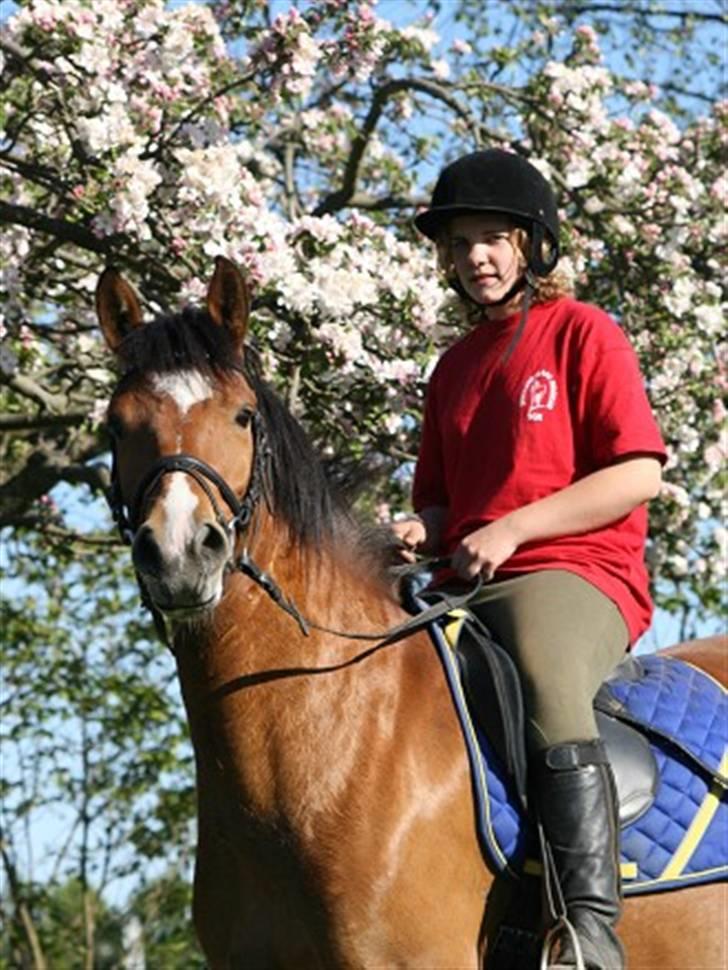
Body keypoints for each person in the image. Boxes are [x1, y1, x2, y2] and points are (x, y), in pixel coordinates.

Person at [393, 148, 667, 970]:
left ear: (532, 245)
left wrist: (512, 530)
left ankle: (588, 930)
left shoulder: (584, 331)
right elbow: (442, 504)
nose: (475, 256)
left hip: (574, 572)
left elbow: (638, 472)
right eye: (461, 243)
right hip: (465, 584)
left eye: (492, 238)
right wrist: (420, 531)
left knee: (544, 673)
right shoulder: (452, 370)